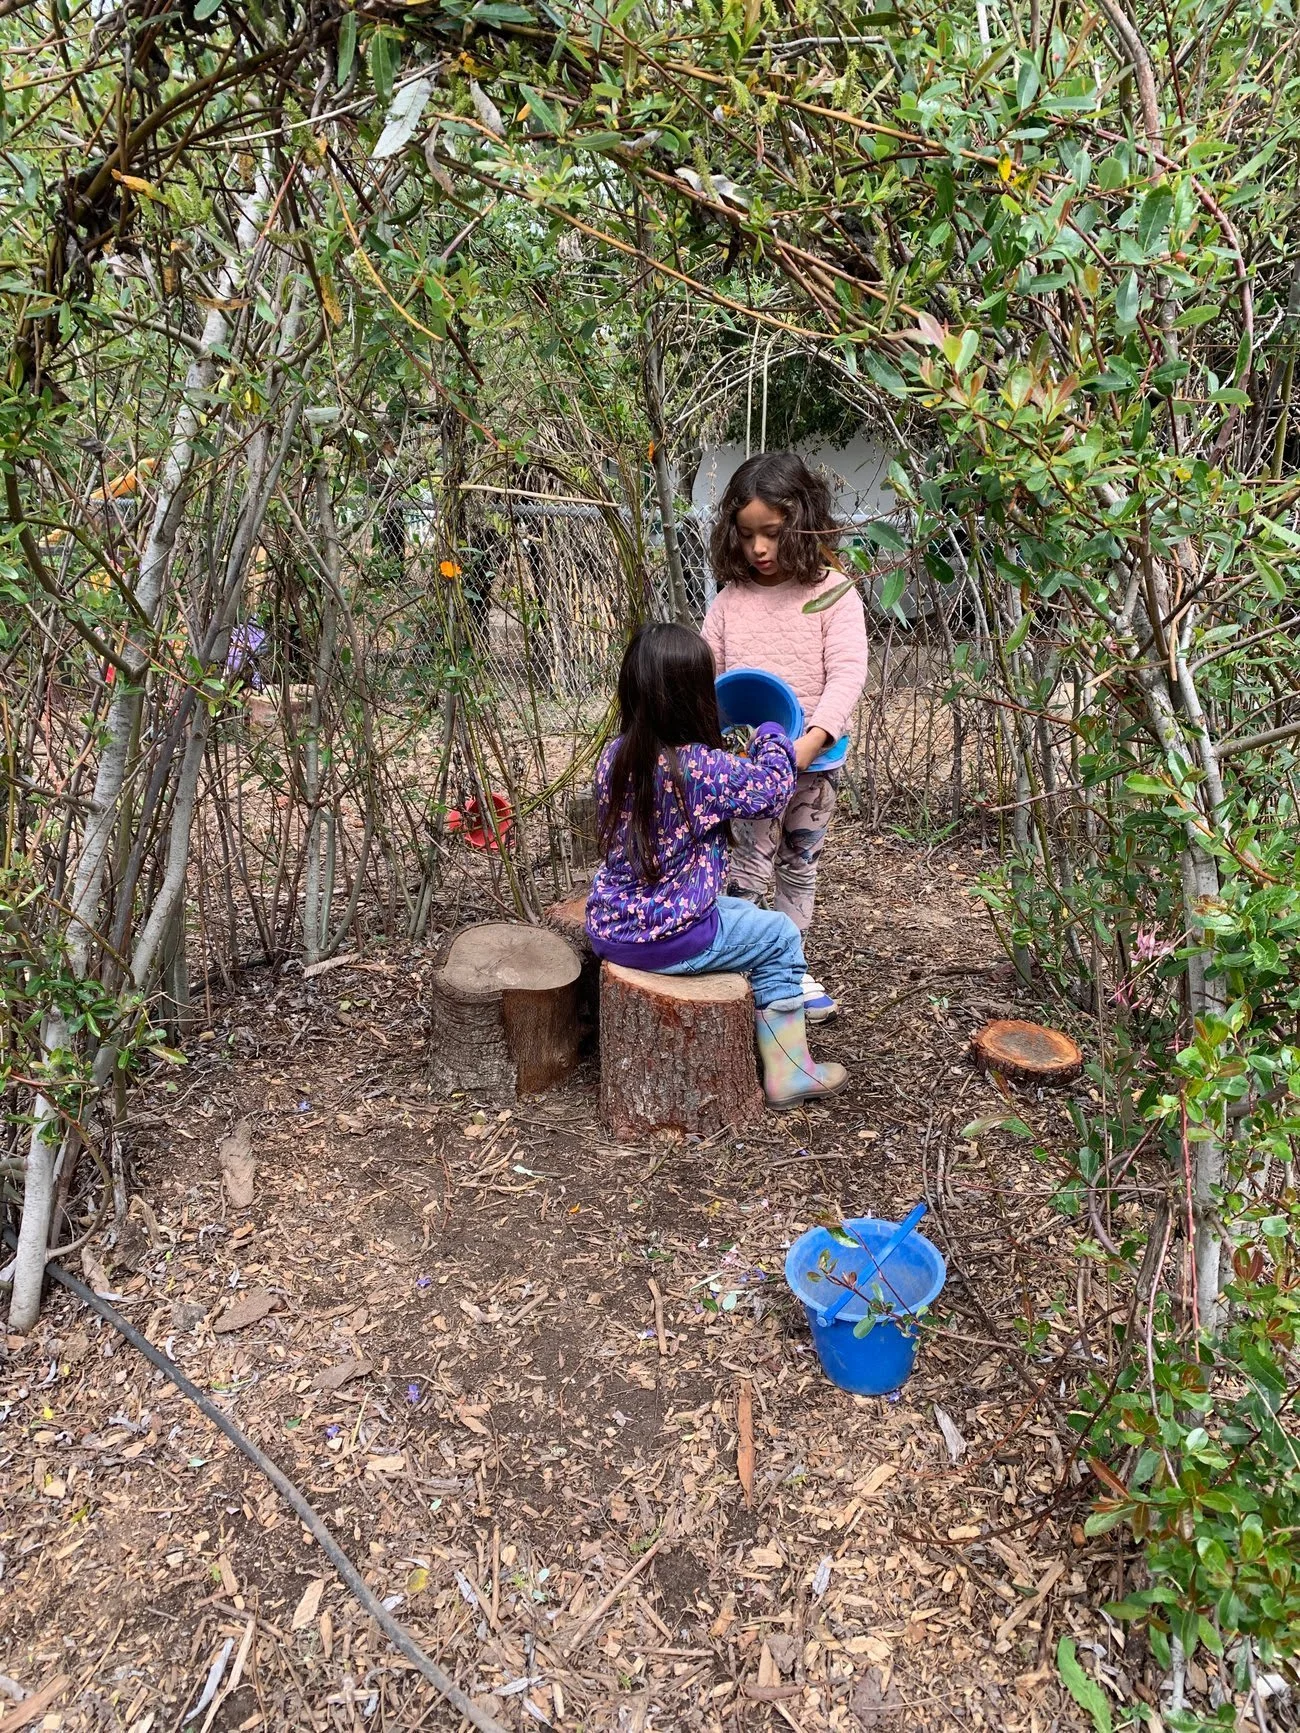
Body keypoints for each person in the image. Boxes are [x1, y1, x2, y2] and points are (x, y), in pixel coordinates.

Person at [585, 622, 846, 1109]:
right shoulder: (702, 767)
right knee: (779, 937)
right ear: (695, 699)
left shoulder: (615, 757)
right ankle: (791, 1072)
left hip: (610, 925)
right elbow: (770, 791)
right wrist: (771, 732)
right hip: (671, 935)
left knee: (734, 910)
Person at [702, 451, 869, 1022]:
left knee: (799, 862)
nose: (759, 550)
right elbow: (707, 678)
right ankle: (741, 966)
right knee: (747, 865)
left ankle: (789, 967)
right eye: (747, 536)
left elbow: (848, 673)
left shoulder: (834, 593)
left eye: (772, 534)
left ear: (802, 523)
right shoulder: (729, 602)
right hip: (748, 774)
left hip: (814, 765)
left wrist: (813, 740)